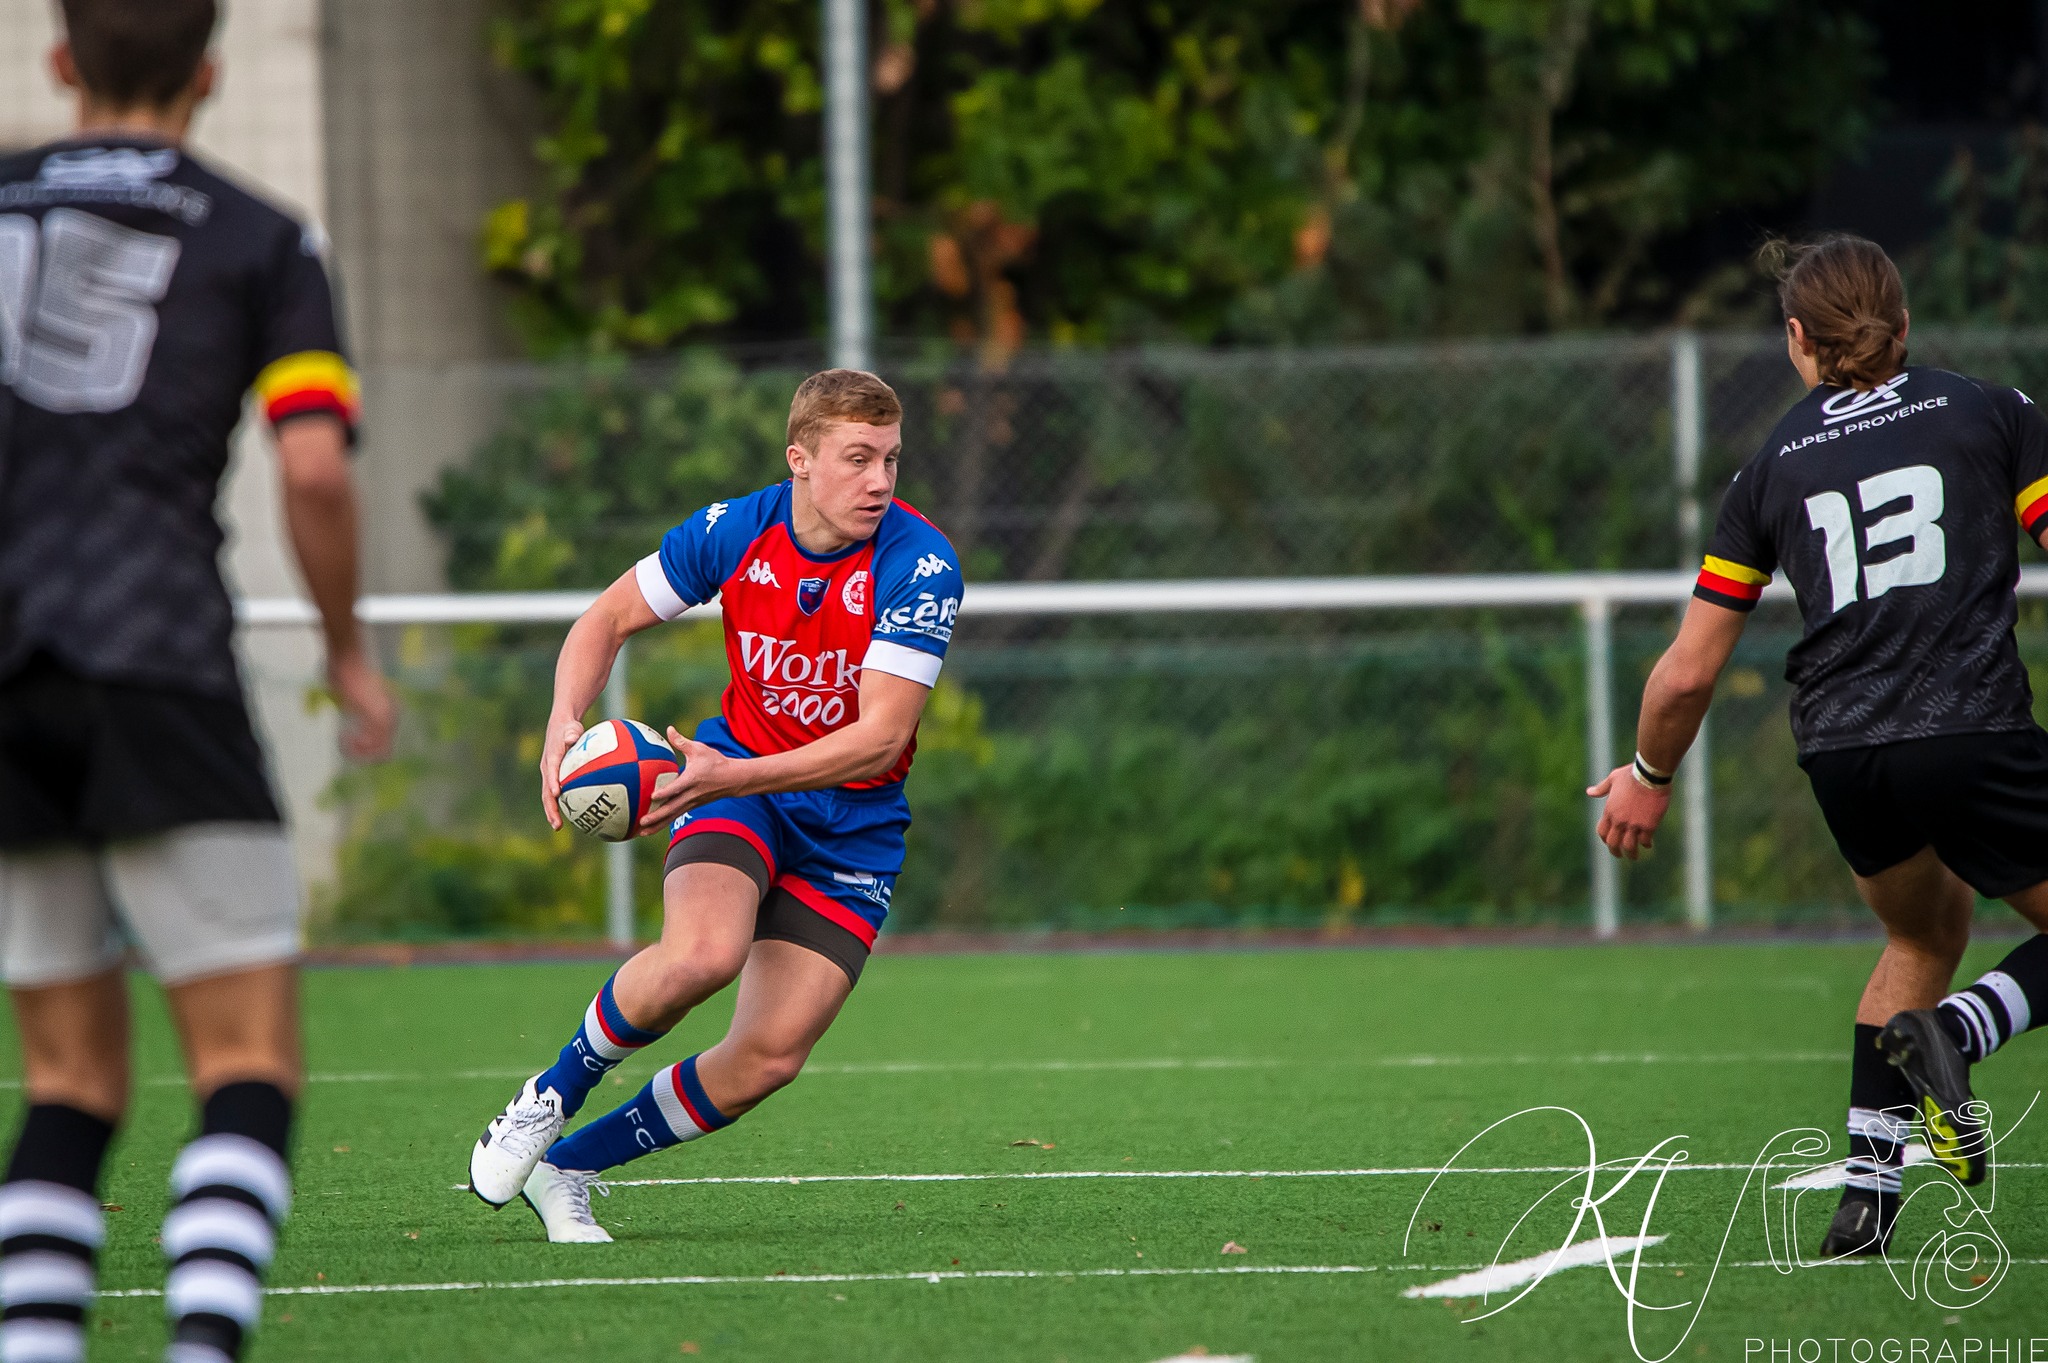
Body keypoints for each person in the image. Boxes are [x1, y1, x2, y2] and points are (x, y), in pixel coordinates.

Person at [0, 3, 395, 1360]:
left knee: (65, 1079)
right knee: (243, 1062)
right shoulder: (260, 236)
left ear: (62, 62)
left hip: (6, 673)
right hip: (156, 653)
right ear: (211, 74)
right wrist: (347, 652)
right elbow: (313, 466)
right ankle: (204, 1344)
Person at [1590, 235, 2048, 1259]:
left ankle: (1863, 1204)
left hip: (1845, 758)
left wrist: (1646, 777)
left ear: (1796, 338)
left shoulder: (1767, 470)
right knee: (1948, 973)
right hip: (1970, 729)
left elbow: (1686, 673)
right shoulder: (1991, 410)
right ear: (1903, 321)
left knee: (1920, 937)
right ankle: (1959, 1031)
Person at [467, 368, 963, 1242]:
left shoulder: (920, 563)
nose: (880, 480)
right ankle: (551, 1092)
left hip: (849, 824)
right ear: (799, 458)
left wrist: (730, 776)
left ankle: (566, 1167)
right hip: (736, 785)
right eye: (857, 458)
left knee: (768, 1057)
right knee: (702, 955)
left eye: (890, 458)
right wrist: (561, 721)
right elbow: (605, 619)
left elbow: (881, 739)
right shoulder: (735, 530)